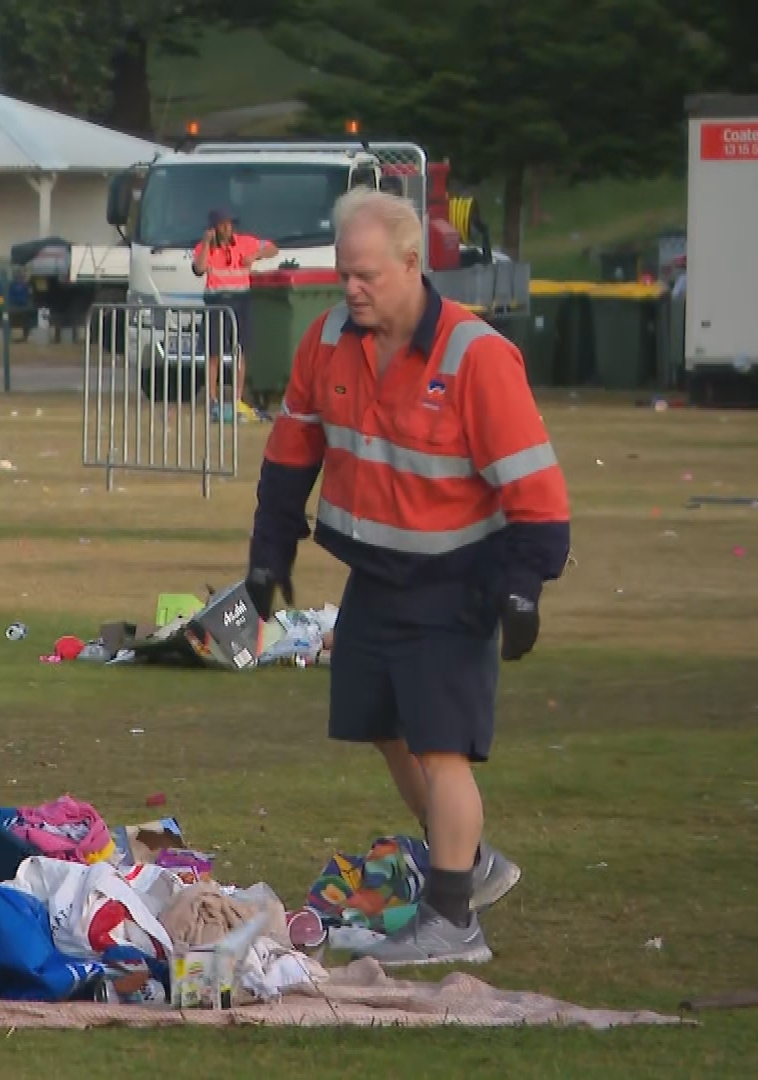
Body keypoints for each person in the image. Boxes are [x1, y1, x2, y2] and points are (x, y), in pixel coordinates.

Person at [246, 188, 570, 966]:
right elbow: (292, 455)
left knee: (443, 746)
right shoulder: (326, 341)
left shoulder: (475, 356)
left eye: (366, 275)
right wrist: (268, 554)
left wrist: (525, 586)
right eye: (343, 274)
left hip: (459, 580)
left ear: (412, 266)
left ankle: (453, 918)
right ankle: (472, 862)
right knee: (381, 727)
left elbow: (537, 491)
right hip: (376, 577)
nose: (351, 289)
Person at [192, 208, 278, 414]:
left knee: (240, 351)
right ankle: (212, 398)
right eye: (223, 225)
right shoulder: (204, 247)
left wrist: (255, 256)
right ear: (214, 228)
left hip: (241, 300)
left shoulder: (245, 242)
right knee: (214, 352)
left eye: (229, 224)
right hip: (216, 300)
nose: (227, 228)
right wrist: (206, 243)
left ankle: (238, 397)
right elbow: (199, 269)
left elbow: (273, 248)